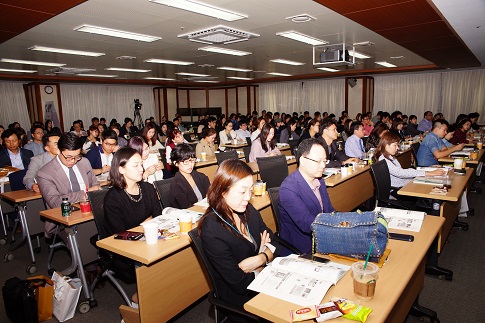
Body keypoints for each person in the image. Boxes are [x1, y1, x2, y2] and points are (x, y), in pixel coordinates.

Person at [198, 159, 278, 316]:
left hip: (263, 280)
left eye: (250, 189)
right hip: (242, 298)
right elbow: (240, 283)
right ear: (223, 191)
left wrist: (261, 259)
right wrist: (268, 258)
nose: (248, 197)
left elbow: (273, 240)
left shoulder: (247, 209)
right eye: (242, 191)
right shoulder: (212, 229)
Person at [104, 147, 162, 283]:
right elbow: (122, 234)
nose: (141, 169)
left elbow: (159, 218)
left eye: (141, 164)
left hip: (151, 239)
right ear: (121, 169)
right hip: (127, 249)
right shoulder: (112, 198)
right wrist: (147, 222)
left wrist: (145, 224)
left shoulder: (147, 188)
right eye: (135, 165)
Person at [37, 132, 100, 237]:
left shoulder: (84, 162)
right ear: (58, 151)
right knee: (85, 238)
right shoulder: (45, 173)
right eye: (69, 157)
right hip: (64, 221)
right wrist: (85, 194)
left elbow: (96, 185)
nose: (73, 161)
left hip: (90, 212)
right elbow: (56, 202)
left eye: (77, 156)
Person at [278, 138, 334, 255]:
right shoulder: (288, 188)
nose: (323, 166)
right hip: (302, 249)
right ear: (303, 160)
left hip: (323, 239)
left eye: (325, 161)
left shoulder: (319, 181)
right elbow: (307, 224)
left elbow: (329, 210)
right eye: (318, 161)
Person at [374, 132, 445, 188]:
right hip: (397, 188)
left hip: (404, 183)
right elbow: (400, 173)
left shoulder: (390, 156)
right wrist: (428, 173)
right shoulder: (383, 160)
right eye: (395, 145)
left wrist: (426, 172)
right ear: (386, 145)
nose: (397, 148)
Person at [169, 144, 210, 209]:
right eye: (186, 162)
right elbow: (186, 207)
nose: (190, 165)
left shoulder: (201, 177)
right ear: (176, 163)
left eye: (192, 160)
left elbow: (211, 196)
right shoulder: (176, 185)